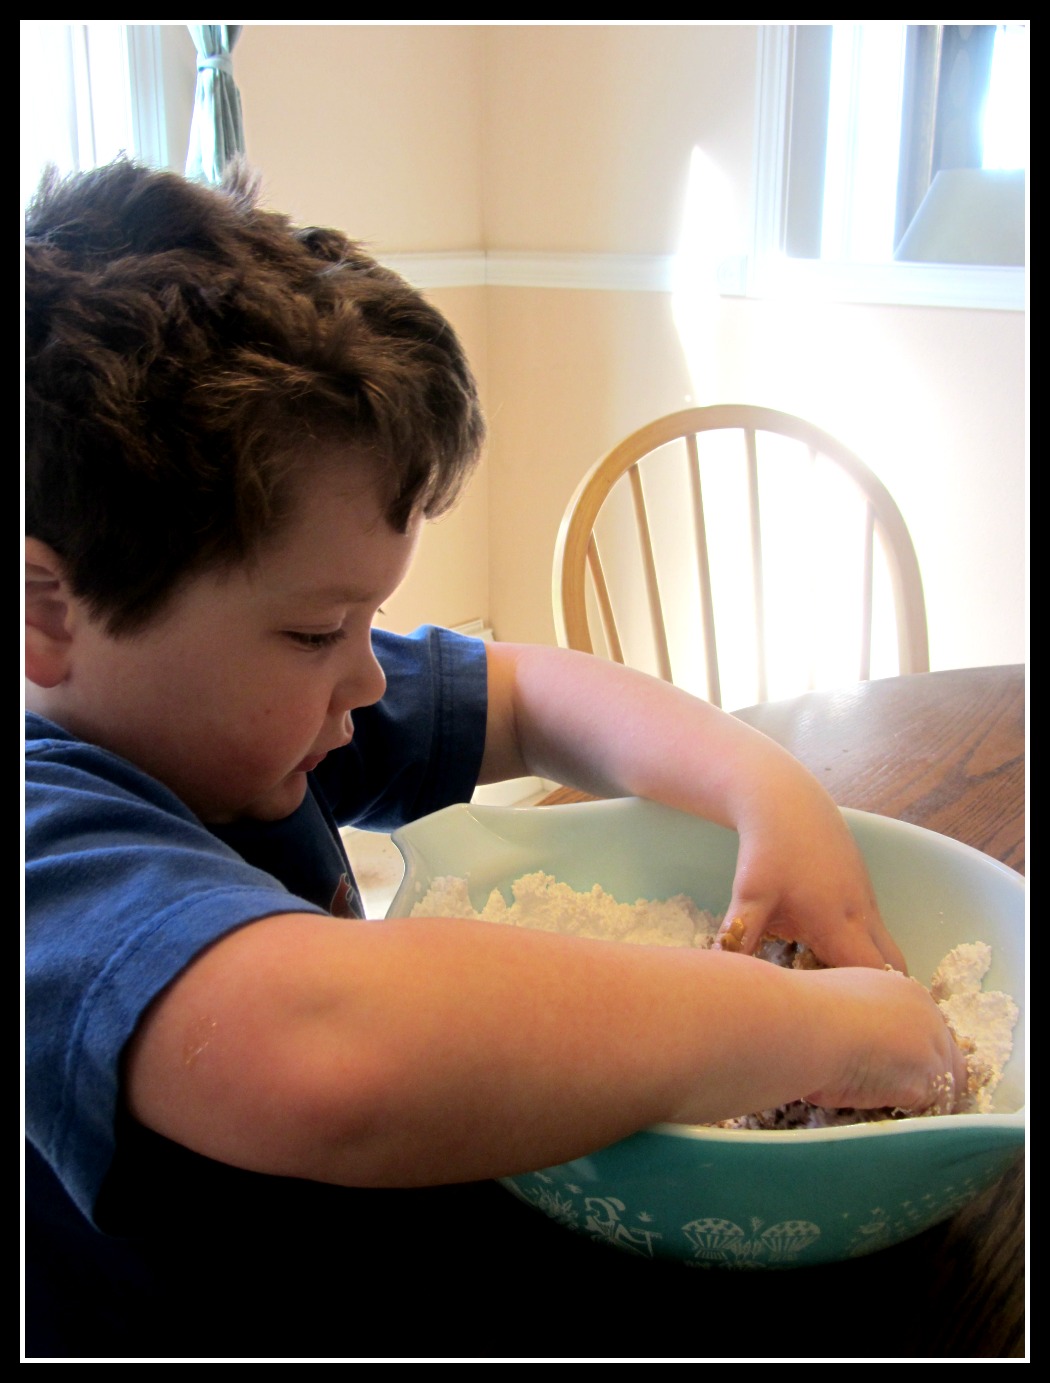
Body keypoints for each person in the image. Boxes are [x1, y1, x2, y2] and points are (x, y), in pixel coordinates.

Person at [24, 160, 964, 1360]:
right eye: (318, 632)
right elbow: (331, 1050)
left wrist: (765, 788)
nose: (366, 679)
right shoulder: (48, 845)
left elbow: (528, 688)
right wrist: (810, 1028)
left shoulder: (230, 720)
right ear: (48, 610)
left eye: (370, 621)